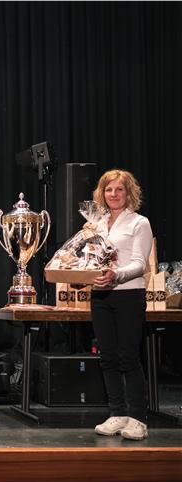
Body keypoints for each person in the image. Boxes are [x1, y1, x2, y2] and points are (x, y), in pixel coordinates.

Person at [90, 169, 153, 440]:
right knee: (107, 357)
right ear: (101, 193)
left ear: (129, 193)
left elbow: (140, 264)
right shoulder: (95, 224)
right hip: (100, 295)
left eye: (119, 189)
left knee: (128, 356)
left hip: (129, 294)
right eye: (108, 189)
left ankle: (138, 418)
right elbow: (89, 260)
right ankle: (117, 413)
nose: (113, 194)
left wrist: (115, 275)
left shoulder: (139, 223)